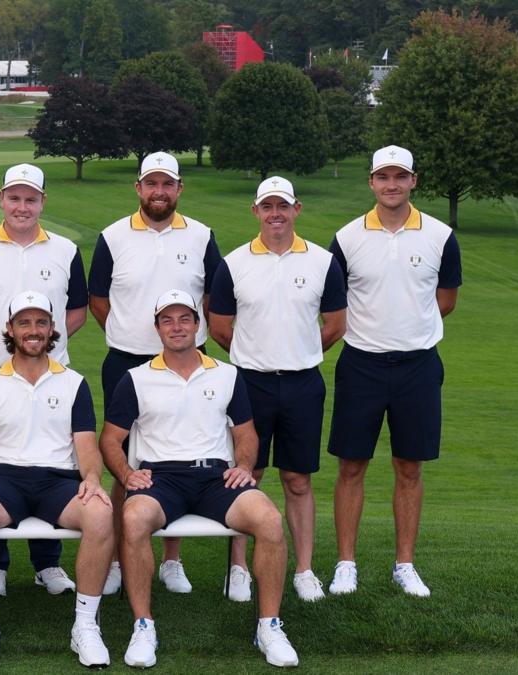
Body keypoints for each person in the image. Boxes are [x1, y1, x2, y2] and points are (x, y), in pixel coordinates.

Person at [100, 289, 299, 669]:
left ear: (198, 324)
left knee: (270, 521)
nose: (177, 327)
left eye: (185, 319)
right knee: (133, 518)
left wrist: (243, 465)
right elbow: (110, 439)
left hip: (215, 477)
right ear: (157, 328)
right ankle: (144, 625)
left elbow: (245, 434)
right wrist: (126, 474)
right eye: (168, 320)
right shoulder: (136, 379)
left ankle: (269, 625)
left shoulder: (227, 375)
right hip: (160, 477)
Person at [0, 163, 88, 597]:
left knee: (52, 463)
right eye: (14, 197)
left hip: (52, 381)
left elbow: (76, 311)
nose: (22, 206)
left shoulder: (65, 249)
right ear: (1, 198)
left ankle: (48, 564)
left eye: (31, 199)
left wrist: (39, 349)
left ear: (42, 202)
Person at [326, 145, 462, 598]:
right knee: (351, 466)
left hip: (418, 366)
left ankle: (405, 563)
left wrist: (410, 330)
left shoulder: (440, 236)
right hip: (361, 363)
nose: (391, 184)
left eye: (399, 177)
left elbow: (445, 301)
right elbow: (335, 302)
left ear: (413, 181)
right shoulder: (347, 238)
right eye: (383, 176)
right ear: (371, 182)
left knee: (409, 466)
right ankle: (347, 562)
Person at [86, 151, 223, 596]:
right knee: (122, 460)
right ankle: (116, 558)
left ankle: (171, 558)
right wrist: (130, 336)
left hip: (188, 367)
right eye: (151, 184)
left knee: (176, 459)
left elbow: (211, 302)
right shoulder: (112, 236)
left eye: (167, 184)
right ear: (138, 188)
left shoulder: (202, 236)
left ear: (179, 189)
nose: (159, 192)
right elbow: (98, 299)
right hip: (127, 363)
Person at [0, 291, 114, 669]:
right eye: (24, 323)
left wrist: (92, 477)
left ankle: (86, 626)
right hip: (5, 480)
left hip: (58, 482)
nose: (33, 330)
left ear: (52, 329)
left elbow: (87, 447)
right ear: (10, 329)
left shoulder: (74, 383)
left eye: (41, 322)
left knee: (100, 514)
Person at [208, 176, 347, 602]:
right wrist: (257, 354)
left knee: (298, 479)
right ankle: (238, 568)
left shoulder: (322, 262)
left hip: (304, 382)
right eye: (267, 207)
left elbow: (335, 325)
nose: (275, 214)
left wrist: (298, 351)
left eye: (282, 206)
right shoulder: (233, 263)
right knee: (245, 475)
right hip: (250, 383)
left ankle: (304, 569)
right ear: (255, 212)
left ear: (296, 209)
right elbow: (219, 327)